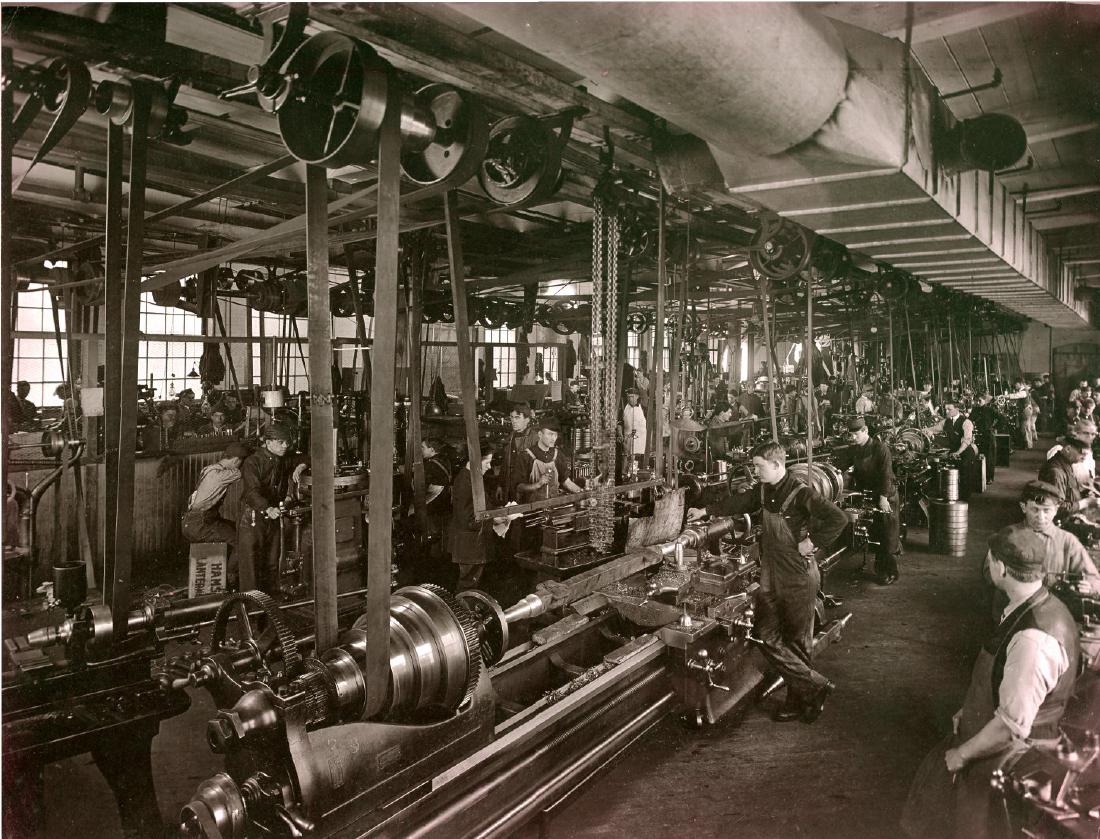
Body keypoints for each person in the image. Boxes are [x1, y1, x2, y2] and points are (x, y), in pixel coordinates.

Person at [901, 527, 1080, 839]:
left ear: (1002, 568)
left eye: (989, 559)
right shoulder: (1032, 604)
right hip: (997, 727)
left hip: (1015, 753)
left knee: (961, 811)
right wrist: (970, 708)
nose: (987, 564)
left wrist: (962, 755)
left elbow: (1011, 727)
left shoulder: (1032, 639)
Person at [687, 441, 848, 723]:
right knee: (763, 634)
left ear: (777, 465)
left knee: (797, 643)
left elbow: (839, 518)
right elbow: (738, 502)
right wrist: (706, 512)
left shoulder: (801, 493)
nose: (755, 471)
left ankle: (802, 702)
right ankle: (815, 686)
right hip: (771, 574)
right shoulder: (764, 490)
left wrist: (813, 541)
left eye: (759, 466)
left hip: (798, 576)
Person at [237, 424, 305, 593]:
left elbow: (307, 457)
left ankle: (270, 604)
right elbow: (251, 493)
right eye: (281, 442)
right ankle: (251, 608)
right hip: (253, 516)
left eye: (287, 442)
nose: (285, 446)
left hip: (273, 515)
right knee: (250, 565)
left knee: (272, 562)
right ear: (268, 442)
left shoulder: (283, 458)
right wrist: (267, 509)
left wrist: (301, 466)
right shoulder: (252, 462)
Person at [840, 417, 902, 584]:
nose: (852, 437)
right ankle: (880, 568)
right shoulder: (855, 449)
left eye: (855, 434)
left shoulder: (880, 449)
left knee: (888, 534)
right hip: (869, 494)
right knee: (876, 532)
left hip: (886, 494)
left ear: (865, 430)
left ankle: (890, 572)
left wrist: (883, 498)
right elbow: (843, 466)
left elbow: (886, 475)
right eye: (850, 435)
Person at [182, 441, 250, 588]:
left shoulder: (210, 468)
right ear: (236, 460)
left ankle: (224, 575)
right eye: (241, 461)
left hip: (192, 520)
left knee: (235, 528)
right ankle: (229, 577)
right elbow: (246, 471)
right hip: (202, 523)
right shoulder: (222, 475)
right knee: (241, 539)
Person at [450, 440, 501, 592]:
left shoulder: (472, 478)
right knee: (467, 586)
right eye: (487, 462)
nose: (489, 466)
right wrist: (493, 520)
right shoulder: (465, 482)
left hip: (473, 545)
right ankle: (462, 614)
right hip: (469, 546)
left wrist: (495, 513)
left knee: (472, 584)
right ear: (475, 461)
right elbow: (468, 519)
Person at [513, 416, 583, 503]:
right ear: (540, 434)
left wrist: (582, 493)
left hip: (553, 507)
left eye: (555, 435)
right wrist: (538, 484)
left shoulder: (558, 455)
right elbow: (519, 487)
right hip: (532, 509)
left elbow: (566, 481)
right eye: (550, 434)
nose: (553, 438)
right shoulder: (525, 456)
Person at [1039, 428, 1100, 523]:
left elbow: (1070, 492)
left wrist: (1087, 493)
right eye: (1082, 453)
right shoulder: (1055, 472)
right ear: (1068, 449)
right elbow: (1057, 509)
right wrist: (1086, 502)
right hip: (1063, 523)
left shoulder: (1066, 464)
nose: (1084, 458)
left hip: (1072, 514)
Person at [501, 402, 540, 504]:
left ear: (527, 419)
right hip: (510, 488)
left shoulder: (535, 438)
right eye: (512, 417)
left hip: (526, 489)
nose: (513, 421)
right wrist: (500, 486)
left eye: (517, 417)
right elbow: (505, 464)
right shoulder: (511, 437)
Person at [421, 436, 453, 556]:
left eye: (423, 448)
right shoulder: (445, 460)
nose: (421, 450)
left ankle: (433, 560)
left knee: (433, 534)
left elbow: (422, 486)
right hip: (446, 502)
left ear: (432, 450)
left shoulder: (429, 465)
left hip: (434, 504)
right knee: (444, 533)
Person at [942, 399, 978, 500]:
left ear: (957, 409)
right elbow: (933, 428)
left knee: (965, 471)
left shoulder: (966, 422)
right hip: (954, 450)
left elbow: (966, 440)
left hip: (965, 451)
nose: (946, 411)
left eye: (949, 409)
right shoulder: (946, 421)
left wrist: (958, 452)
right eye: (945, 409)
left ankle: (964, 499)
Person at [968, 391, 997, 483]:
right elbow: (969, 420)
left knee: (989, 457)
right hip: (978, 436)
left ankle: (989, 478)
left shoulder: (990, 410)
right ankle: (979, 478)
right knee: (977, 456)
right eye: (976, 401)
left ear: (985, 400)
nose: (977, 402)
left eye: (979, 401)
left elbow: (1001, 418)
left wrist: (993, 427)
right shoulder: (975, 410)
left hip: (988, 435)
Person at [621, 387, 647, 471]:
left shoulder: (642, 407)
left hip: (640, 438)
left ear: (637, 396)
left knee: (637, 458)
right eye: (628, 397)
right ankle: (626, 473)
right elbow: (621, 422)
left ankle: (636, 472)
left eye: (631, 396)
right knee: (627, 457)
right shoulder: (625, 408)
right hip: (628, 437)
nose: (629, 399)